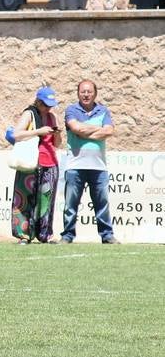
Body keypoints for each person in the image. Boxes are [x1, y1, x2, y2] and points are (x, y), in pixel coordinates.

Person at [61, 79, 118, 244]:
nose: (86, 95)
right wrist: (97, 129)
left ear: (95, 93)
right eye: (83, 92)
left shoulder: (103, 110)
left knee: (102, 204)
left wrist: (85, 130)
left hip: (99, 167)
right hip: (75, 166)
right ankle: (67, 236)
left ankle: (107, 235)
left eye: (89, 92)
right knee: (71, 205)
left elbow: (109, 131)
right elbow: (76, 128)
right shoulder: (71, 109)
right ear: (78, 93)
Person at [11, 86, 62, 245]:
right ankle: (24, 235)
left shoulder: (52, 117)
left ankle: (45, 234)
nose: (48, 108)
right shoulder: (29, 114)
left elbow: (57, 144)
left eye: (50, 105)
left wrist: (57, 133)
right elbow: (16, 134)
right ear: (38, 102)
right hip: (31, 163)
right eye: (45, 105)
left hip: (50, 163)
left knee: (46, 202)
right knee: (24, 199)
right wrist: (38, 131)